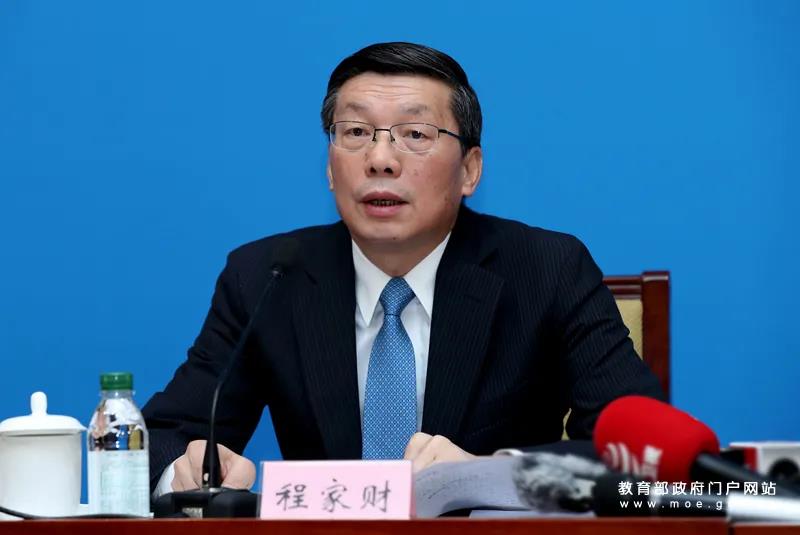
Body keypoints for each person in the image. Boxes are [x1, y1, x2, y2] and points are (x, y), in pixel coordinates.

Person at [142, 42, 663, 494]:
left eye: (415, 133)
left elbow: (644, 454)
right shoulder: (267, 277)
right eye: (355, 132)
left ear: (470, 170)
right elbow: (163, 437)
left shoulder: (546, 270)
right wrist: (183, 472)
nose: (380, 159)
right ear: (330, 168)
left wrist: (494, 474)